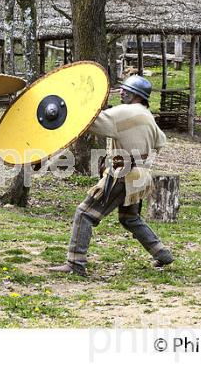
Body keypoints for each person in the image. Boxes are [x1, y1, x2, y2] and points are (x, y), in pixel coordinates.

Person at [49, 75, 174, 277]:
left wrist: (67, 109)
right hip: (141, 177)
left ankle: (75, 263)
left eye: (126, 90)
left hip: (122, 175)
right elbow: (161, 141)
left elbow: (90, 122)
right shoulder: (148, 116)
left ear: (137, 95)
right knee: (130, 218)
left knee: (85, 213)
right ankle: (162, 253)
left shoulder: (124, 113)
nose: (121, 92)